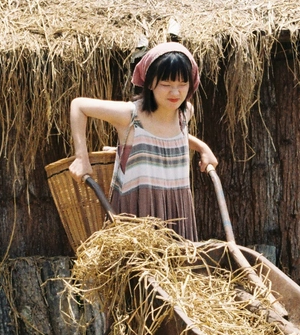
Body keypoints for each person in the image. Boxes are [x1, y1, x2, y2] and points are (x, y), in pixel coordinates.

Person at [69, 42, 218, 241]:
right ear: (149, 83)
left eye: (182, 84)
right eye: (166, 84)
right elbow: (79, 106)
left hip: (177, 210)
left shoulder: (184, 114)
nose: (175, 93)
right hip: (138, 211)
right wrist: (81, 158)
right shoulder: (130, 116)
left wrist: (202, 147)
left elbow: (169, 136)